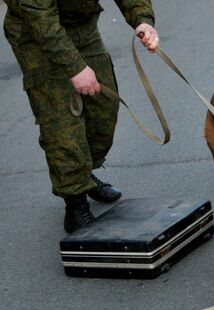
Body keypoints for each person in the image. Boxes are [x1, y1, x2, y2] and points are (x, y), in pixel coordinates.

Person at [3, 0, 160, 233]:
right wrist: (75, 67)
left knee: (103, 109)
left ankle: (84, 175)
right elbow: (41, 19)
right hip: (35, 33)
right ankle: (75, 203)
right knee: (61, 121)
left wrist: (143, 20)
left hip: (82, 27)